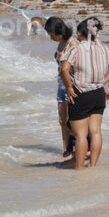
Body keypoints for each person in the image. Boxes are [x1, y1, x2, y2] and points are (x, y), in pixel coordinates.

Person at [60, 17, 109, 169]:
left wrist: (68, 88)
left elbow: (64, 69)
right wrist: (103, 80)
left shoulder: (77, 48)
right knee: (96, 132)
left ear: (81, 33)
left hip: (81, 93)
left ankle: (79, 169)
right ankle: (92, 166)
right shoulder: (103, 48)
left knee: (80, 135)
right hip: (98, 93)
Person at [45, 17, 79, 157]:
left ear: (57, 32)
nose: (49, 36)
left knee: (72, 120)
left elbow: (78, 65)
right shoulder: (61, 42)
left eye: (50, 33)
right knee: (62, 120)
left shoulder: (73, 43)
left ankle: (76, 148)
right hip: (61, 84)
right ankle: (66, 149)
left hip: (71, 84)